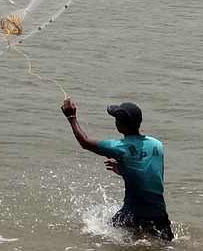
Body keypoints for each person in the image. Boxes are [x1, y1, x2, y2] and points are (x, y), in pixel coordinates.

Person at [60, 98, 174, 242]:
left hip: (133, 214)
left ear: (121, 126)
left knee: (102, 234)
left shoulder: (119, 147)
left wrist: (71, 117)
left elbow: (85, 142)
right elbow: (150, 172)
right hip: (159, 214)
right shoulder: (157, 145)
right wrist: (124, 169)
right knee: (166, 247)